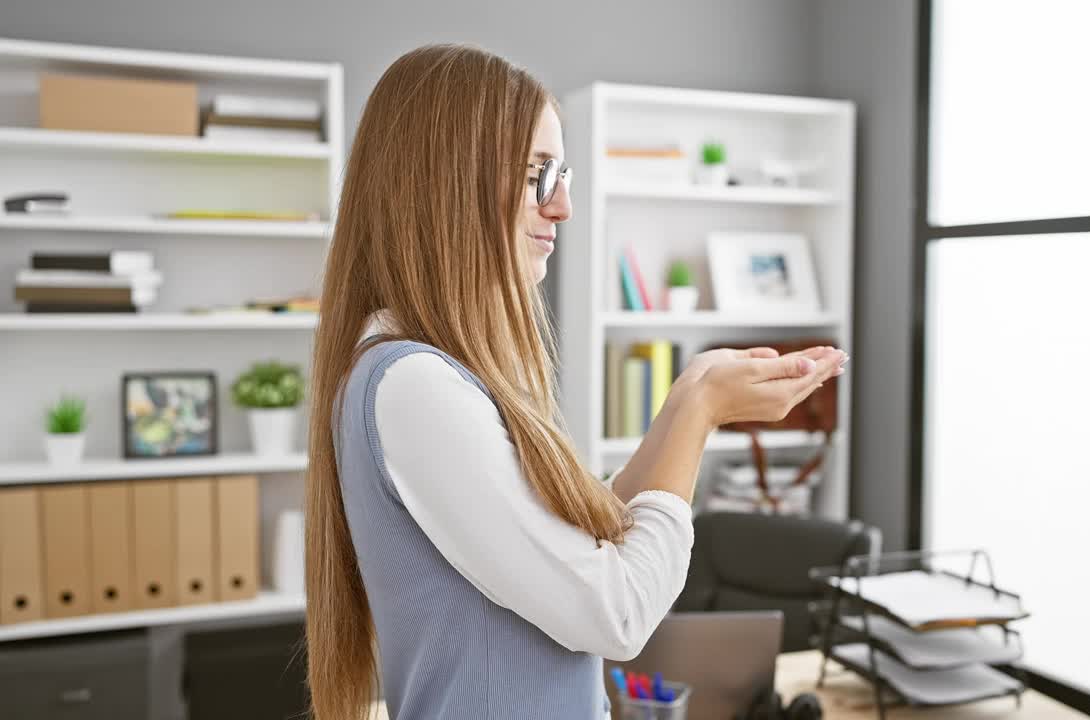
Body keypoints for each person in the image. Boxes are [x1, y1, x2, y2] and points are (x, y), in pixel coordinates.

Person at [304, 44, 846, 720]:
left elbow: (570, 550)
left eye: (560, 174)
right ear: (448, 180)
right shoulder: (415, 386)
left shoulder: (424, 371)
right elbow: (614, 613)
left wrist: (686, 399)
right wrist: (701, 410)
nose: (561, 205)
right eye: (537, 174)